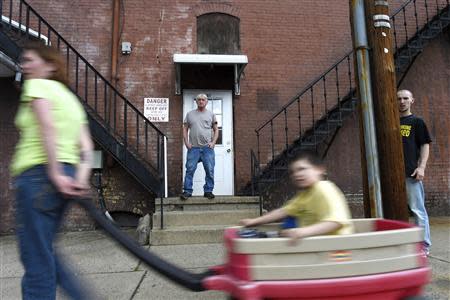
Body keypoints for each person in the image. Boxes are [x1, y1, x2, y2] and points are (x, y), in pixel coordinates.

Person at [11, 42, 94, 299]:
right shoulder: (70, 99)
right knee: (45, 252)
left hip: (39, 176)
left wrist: (55, 172)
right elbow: (87, 148)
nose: (24, 66)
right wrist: (78, 179)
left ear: (50, 64)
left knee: (36, 258)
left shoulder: (37, 85)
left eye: (29, 60)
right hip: (63, 177)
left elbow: (47, 125)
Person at [240, 151, 354, 240]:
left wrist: (301, 232)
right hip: (315, 245)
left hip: (335, 249)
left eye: (302, 169)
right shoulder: (304, 194)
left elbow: (336, 222)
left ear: (320, 170)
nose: (297, 174)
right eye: (293, 172)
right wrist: (255, 221)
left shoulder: (324, 188)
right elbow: (282, 211)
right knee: (287, 223)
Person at [398, 89, 432, 255]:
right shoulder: (390, 121)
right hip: (392, 176)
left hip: (410, 173)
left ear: (412, 101)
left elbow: (425, 144)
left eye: (405, 98)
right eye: (399, 99)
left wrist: (422, 167)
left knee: (417, 210)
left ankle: (423, 246)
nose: (402, 101)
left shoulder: (417, 122)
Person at [180, 93, 219, 200]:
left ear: (206, 102)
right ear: (196, 102)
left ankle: (208, 191)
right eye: (199, 100)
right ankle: (187, 191)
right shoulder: (190, 114)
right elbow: (185, 129)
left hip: (207, 148)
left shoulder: (211, 115)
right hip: (194, 149)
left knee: (210, 170)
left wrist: (213, 142)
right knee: (190, 170)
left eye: (203, 100)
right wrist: (187, 143)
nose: (201, 101)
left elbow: (216, 130)